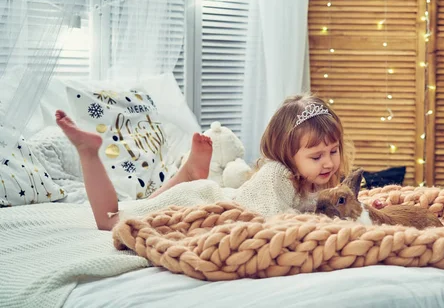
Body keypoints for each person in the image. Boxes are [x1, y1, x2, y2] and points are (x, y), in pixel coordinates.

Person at [55, 93, 353, 231]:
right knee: (110, 220)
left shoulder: (317, 181)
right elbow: (273, 220)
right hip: (198, 203)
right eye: (316, 156)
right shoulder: (277, 174)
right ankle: (89, 151)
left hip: (214, 196)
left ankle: (190, 172)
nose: (328, 162)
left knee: (132, 210)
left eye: (333, 151)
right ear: (287, 154)